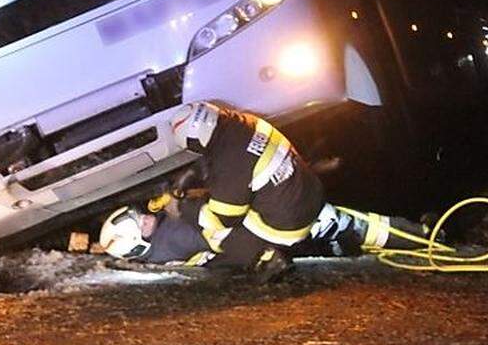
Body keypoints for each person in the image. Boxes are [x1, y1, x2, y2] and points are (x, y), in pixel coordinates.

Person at [98, 102, 432, 281]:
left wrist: (180, 209)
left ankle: (267, 255)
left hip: (284, 222)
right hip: (306, 191)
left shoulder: (226, 171)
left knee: (215, 229)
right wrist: (193, 176)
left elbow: (222, 219)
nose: (144, 218)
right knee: (355, 226)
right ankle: (423, 236)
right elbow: (231, 161)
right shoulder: (241, 124)